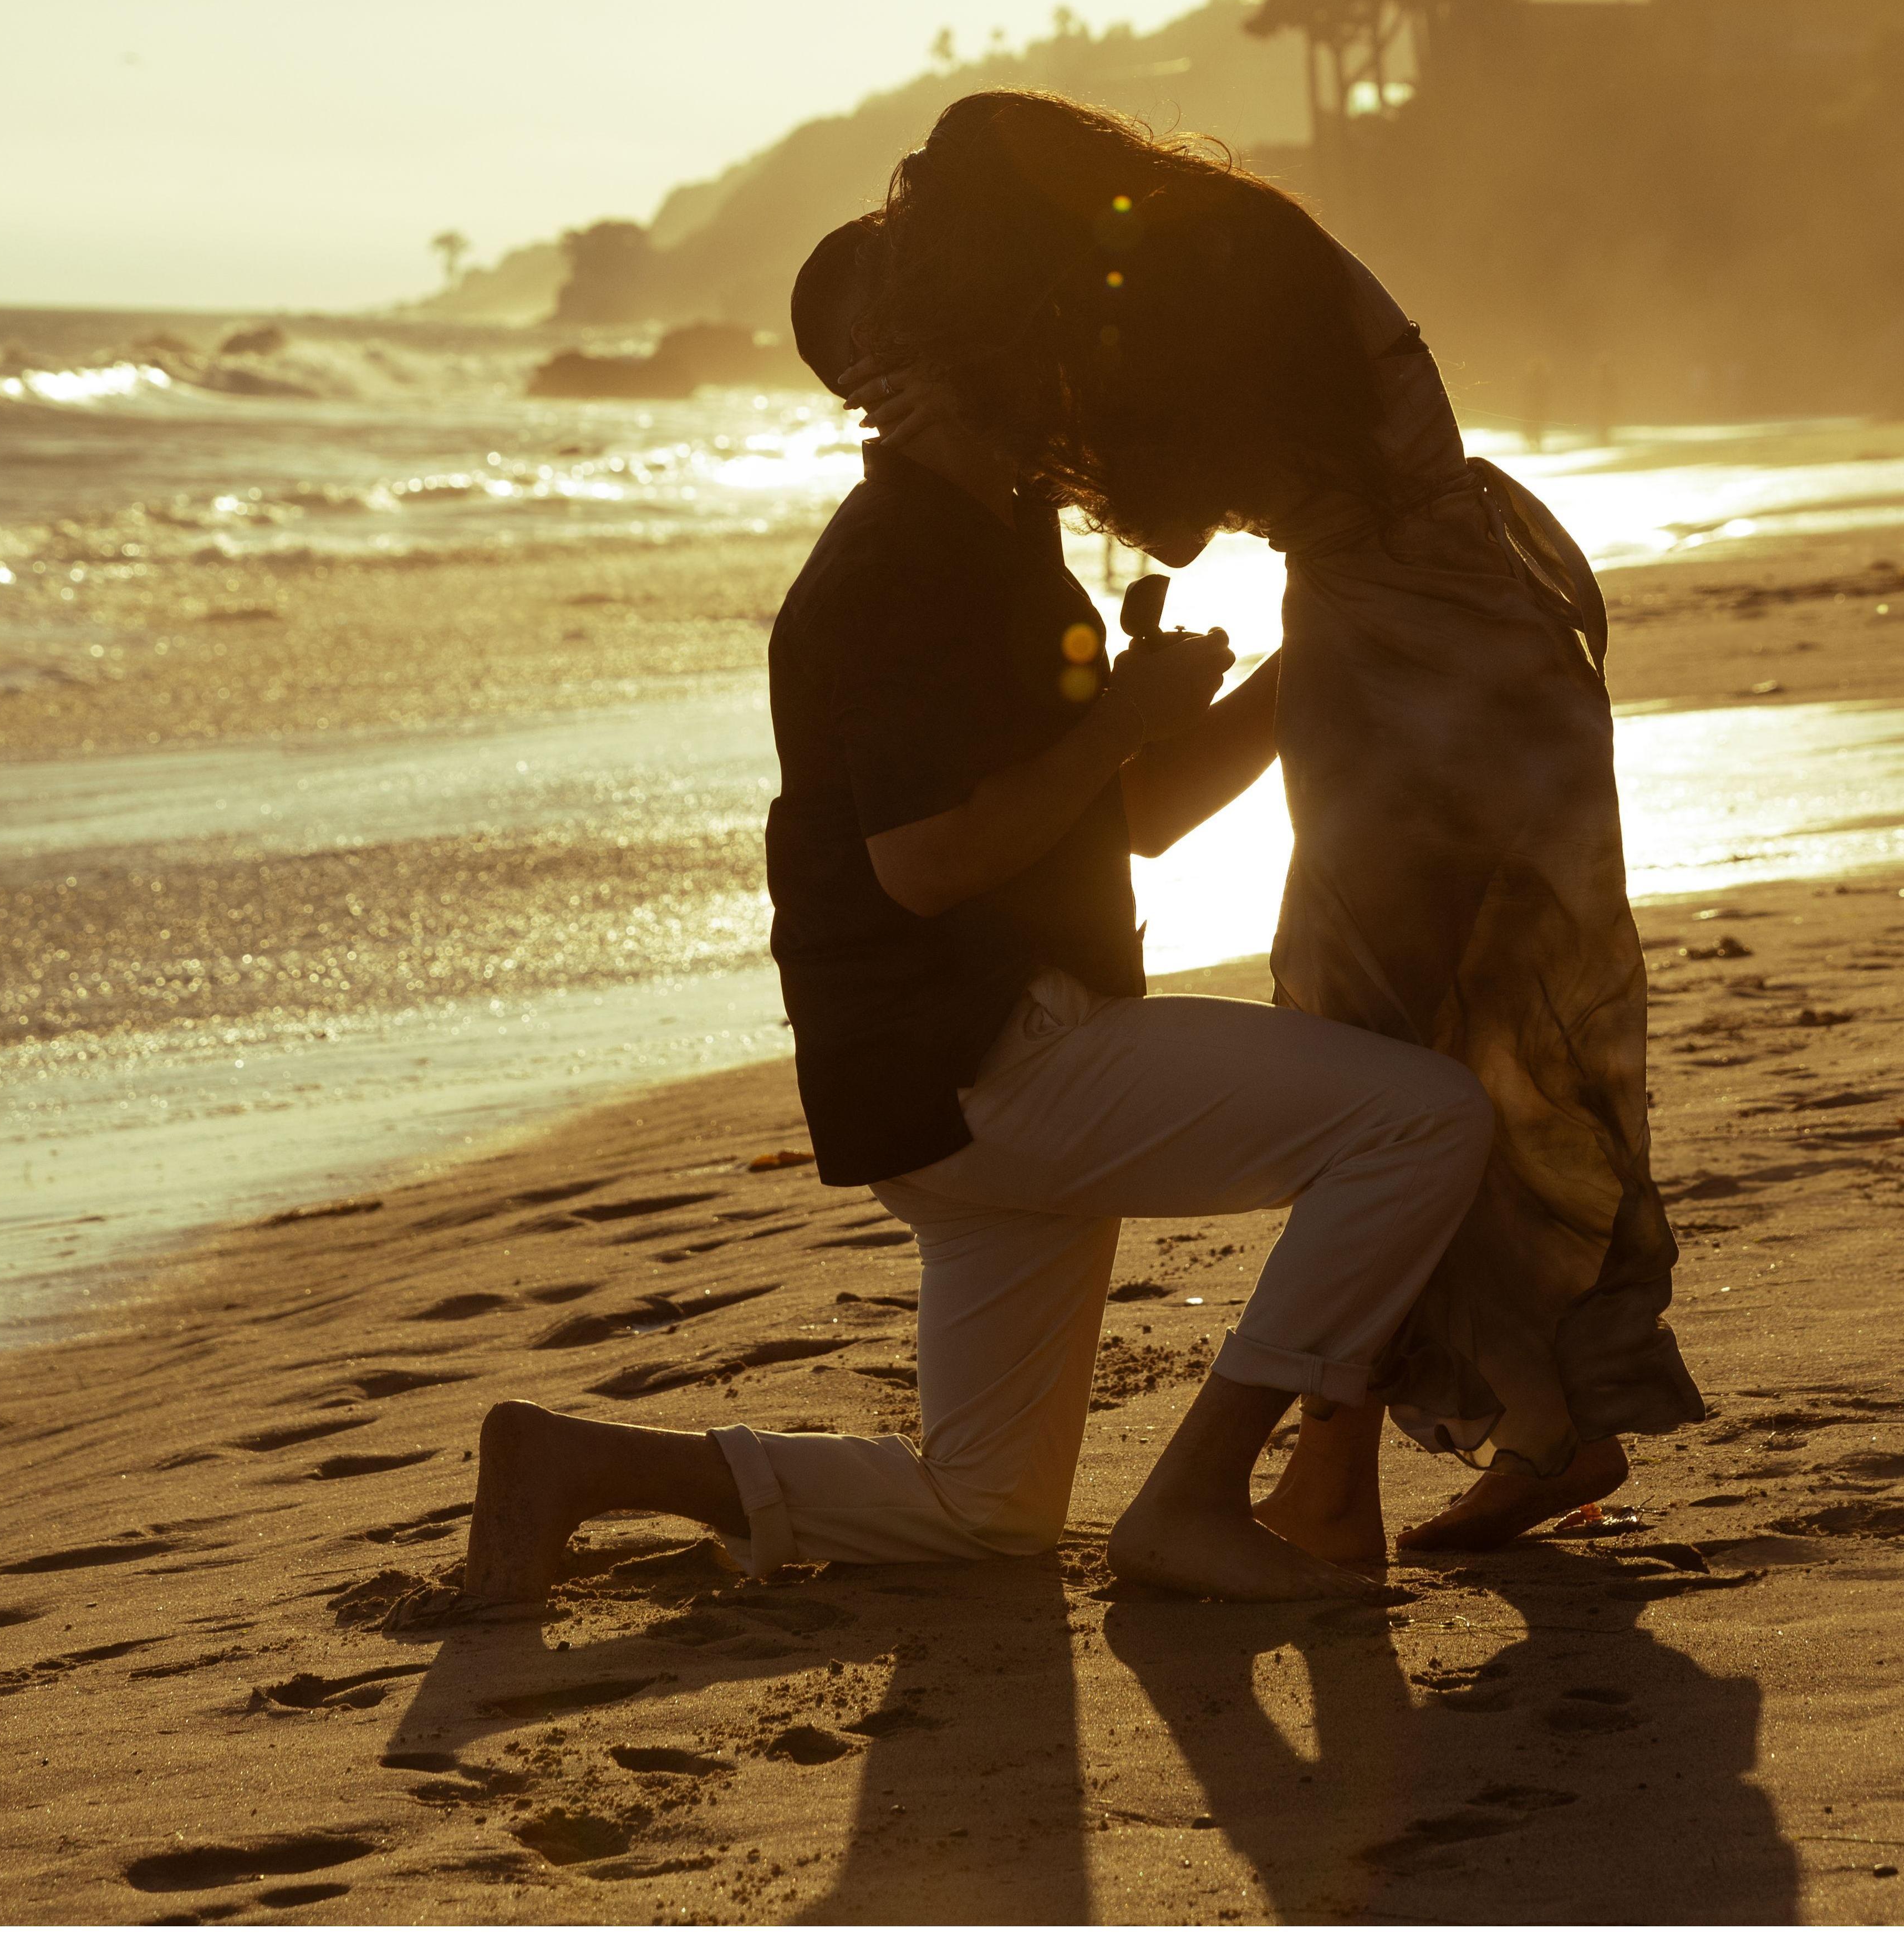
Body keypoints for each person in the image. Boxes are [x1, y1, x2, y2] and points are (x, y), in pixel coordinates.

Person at [461, 218, 1496, 1609]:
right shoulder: (898, 564)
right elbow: (927, 864)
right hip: (997, 1064)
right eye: (985, 307)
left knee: (988, 1507)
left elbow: (1131, 816)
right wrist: (1123, 718)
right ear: (898, 365)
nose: (1033, 331)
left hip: (947, 1089)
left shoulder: (995, 535)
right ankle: (1198, 1493)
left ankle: (575, 1462)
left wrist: (1309, 655)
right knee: (1422, 1121)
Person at [845, 91, 1706, 1572]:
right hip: (1433, 630)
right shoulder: (1216, 238)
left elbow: (1175, 515)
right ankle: (1535, 1416)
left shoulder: (1201, 268)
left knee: (1373, 1037)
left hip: (1424, 653)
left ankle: (1344, 1473)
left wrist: (1003, 430)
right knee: (1434, 1045)